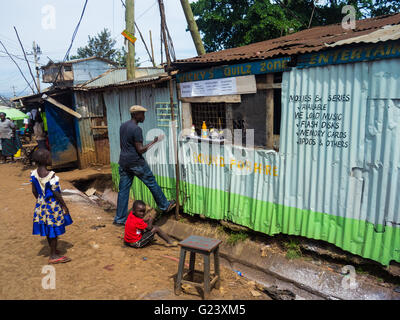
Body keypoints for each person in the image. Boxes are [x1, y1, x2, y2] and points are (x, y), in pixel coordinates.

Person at [113, 105, 176, 226]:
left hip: (124, 162)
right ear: (136, 115)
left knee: (123, 191)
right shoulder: (136, 129)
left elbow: (123, 146)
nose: (144, 116)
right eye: (142, 114)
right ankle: (164, 205)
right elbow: (141, 150)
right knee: (151, 182)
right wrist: (155, 141)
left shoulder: (123, 126)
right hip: (136, 163)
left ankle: (120, 219)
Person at [30, 148, 73, 264]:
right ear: (44, 160)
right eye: (49, 157)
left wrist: (41, 201)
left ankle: (53, 250)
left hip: (41, 205)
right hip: (52, 205)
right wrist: (64, 206)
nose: (50, 159)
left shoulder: (33, 174)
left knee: (48, 228)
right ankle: (53, 255)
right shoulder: (51, 175)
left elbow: (34, 191)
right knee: (53, 229)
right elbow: (56, 193)